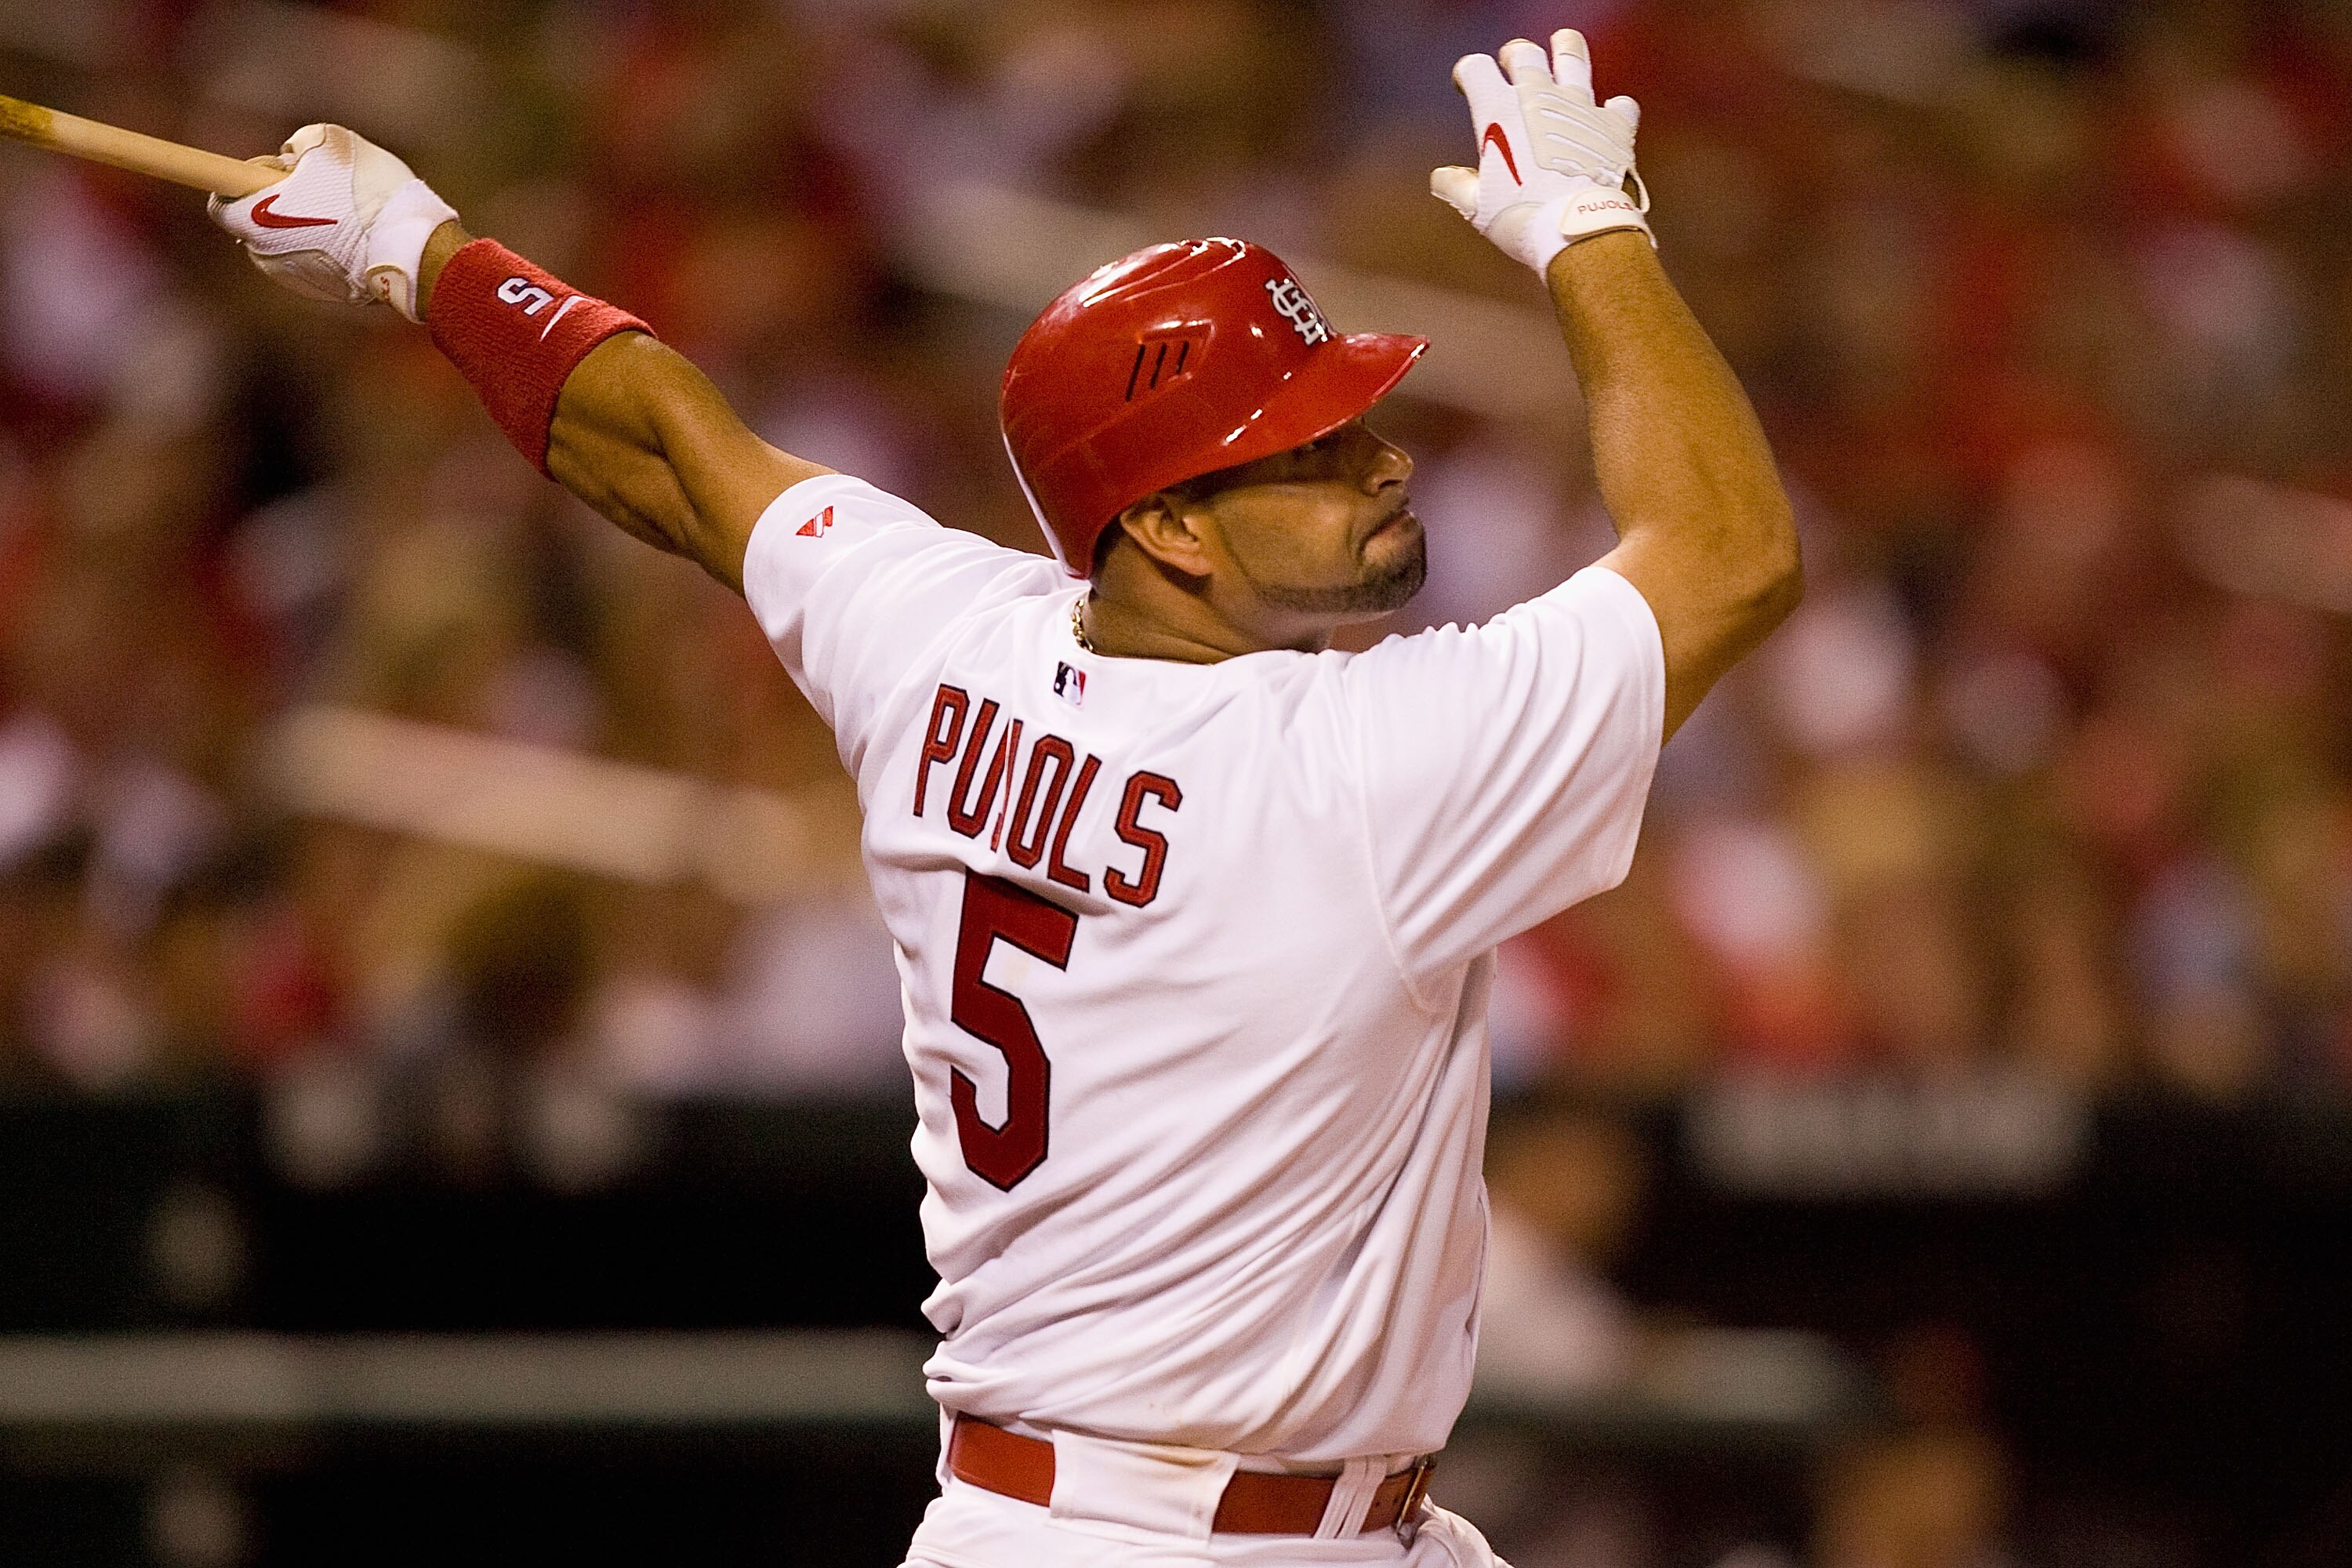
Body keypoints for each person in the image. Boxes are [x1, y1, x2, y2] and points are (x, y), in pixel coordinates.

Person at [210, 27, 1798, 1567]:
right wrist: (1595, 234)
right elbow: (1727, 550)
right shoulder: (1366, 764)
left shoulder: (941, 640)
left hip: (1101, 1517)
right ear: (1170, 530)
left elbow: (672, 451)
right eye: (1308, 448)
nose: (1382, 464)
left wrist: (418, 255)